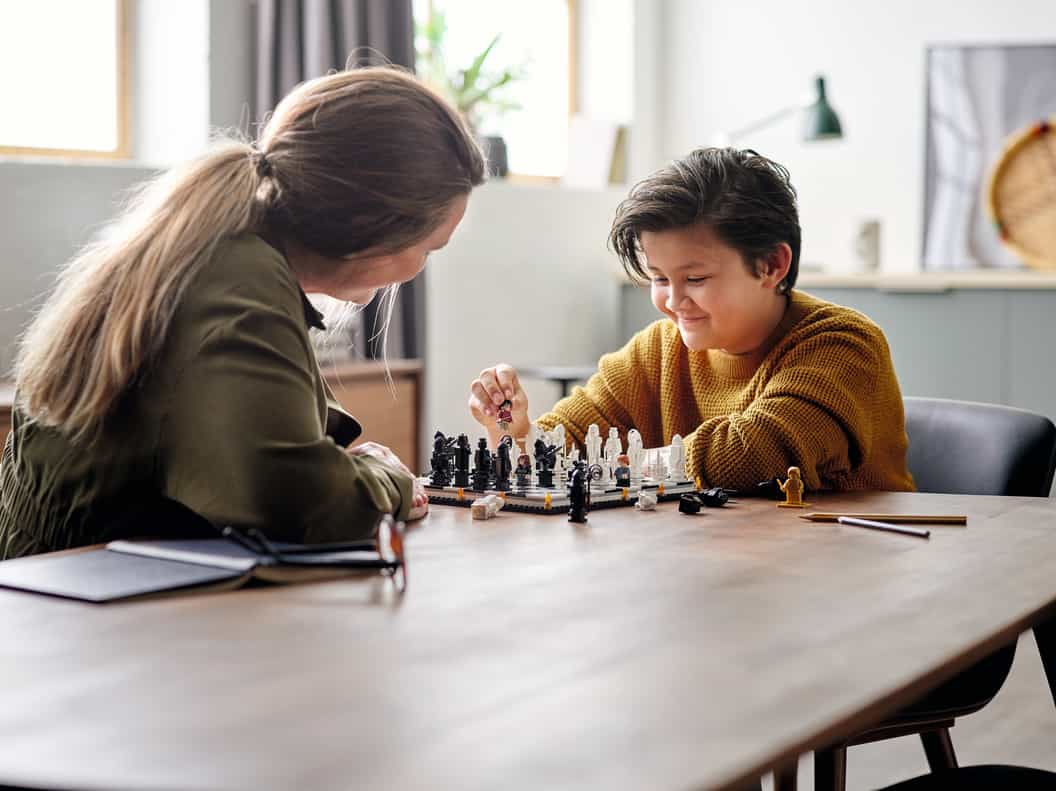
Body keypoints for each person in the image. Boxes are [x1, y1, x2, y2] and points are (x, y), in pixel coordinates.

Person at [0, 66, 485, 559]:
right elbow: (294, 501)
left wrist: (344, 467)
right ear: (373, 226)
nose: (419, 267)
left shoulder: (224, 247)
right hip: (82, 602)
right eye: (430, 248)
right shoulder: (239, 280)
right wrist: (389, 481)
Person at [468, 147, 914, 493]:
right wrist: (517, 433)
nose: (674, 300)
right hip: (711, 570)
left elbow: (751, 456)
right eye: (659, 278)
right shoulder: (656, 352)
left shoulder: (843, 345)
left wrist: (629, 466)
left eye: (696, 278)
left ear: (772, 265)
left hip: (843, 576)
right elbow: (563, 443)